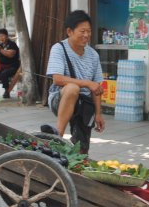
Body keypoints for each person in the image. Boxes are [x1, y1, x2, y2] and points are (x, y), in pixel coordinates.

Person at [45, 10, 105, 154]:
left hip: (84, 105)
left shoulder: (93, 55)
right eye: (82, 31)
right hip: (60, 99)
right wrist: (86, 83)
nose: (86, 35)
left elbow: (96, 88)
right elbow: (58, 79)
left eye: (89, 31)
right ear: (69, 31)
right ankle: (58, 135)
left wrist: (98, 114)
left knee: (82, 151)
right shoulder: (58, 49)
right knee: (72, 88)